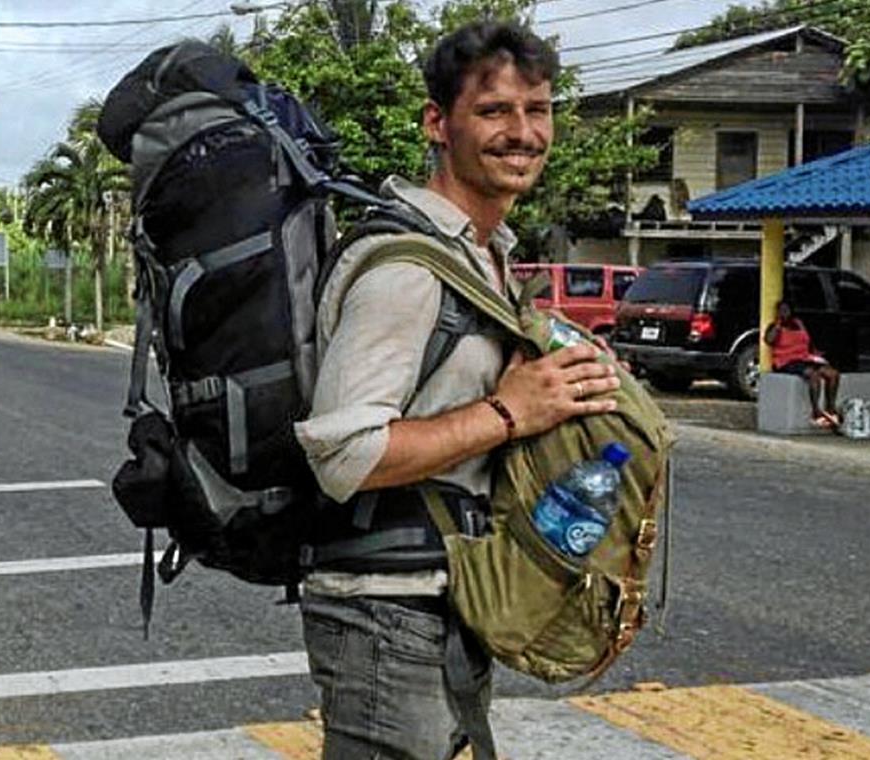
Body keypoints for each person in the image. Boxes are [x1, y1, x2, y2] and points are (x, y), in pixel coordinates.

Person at [293, 22, 619, 760]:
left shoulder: (479, 258)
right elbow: (345, 452)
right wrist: (510, 411)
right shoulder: (404, 270)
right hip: (385, 613)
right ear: (438, 123)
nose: (523, 132)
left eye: (537, 110)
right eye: (495, 111)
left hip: (442, 601)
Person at [764, 300, 841, 428]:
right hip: (786, 361)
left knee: (832, 374)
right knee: (813, 375)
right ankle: (816, 412)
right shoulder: (775, 327)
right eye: (781, 311)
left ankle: (830, 408)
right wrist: (778, 324)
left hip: (804, 358)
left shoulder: (799, 323)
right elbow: (769, 340)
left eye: (786, 310)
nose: (784, 313)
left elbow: (808, 342)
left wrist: (816, 355)